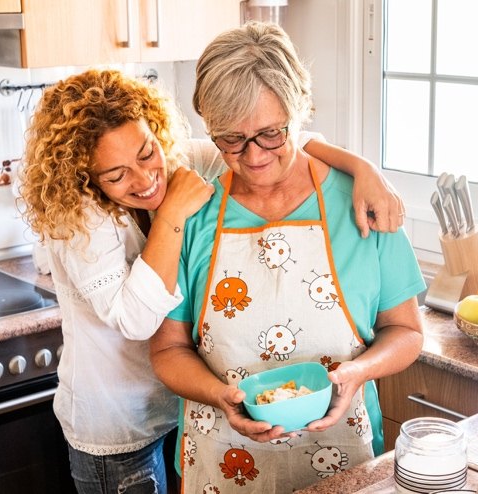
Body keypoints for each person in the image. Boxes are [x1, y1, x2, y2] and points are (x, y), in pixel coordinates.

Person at [18, 69, 406, 494]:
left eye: (148, 154)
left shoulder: (176, 160)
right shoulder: (79, 222)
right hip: (120, 427)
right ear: (85, 178)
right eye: (116, 176)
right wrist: (171, 215)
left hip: (174, 411)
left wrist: (365, 168)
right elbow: (137, 322)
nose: (146, 179)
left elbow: (284, 137)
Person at [149, 22, 425, 493]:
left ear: (300, 112)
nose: (252, 155)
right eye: (230, 139)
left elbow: (406, 331)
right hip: (221, 461)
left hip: (341, 452)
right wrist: (221, 394)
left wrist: (357, 372)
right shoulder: (190, 215)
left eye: (271, 134)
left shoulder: (360, 202)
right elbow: (167, 349)